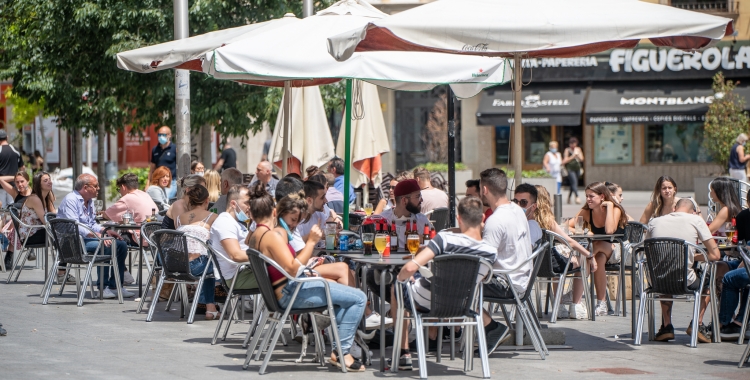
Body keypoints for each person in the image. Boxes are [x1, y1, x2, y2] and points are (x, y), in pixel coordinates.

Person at [249, 185, 367, 371]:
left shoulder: (274, 235)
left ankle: (341, 350)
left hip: (288, 290)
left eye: (298, 220)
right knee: (359, 298)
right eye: (292, 219)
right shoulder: (274, 236)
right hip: (291, 294)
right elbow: (293, 268)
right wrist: (311, 242)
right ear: (277, 213)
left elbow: (291, 266)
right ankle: (343, 353)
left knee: (347, 294)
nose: (295, 224)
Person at [394, 196, 497, 370]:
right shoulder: (490, 252)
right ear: (482, 219)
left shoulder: (444, 239)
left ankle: (403, 353)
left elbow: (410, 267)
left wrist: (401, 279)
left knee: (397, 286)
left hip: (427, 300)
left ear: (459, 219)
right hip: (462, 305)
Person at [647, 198, 720, 343]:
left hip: (657, 280)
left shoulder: (654, 221)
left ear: (674, 208)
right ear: (694, 211)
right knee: (710, 282)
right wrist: (691, 256)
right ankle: (697, 324)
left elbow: (648, 251)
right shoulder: (695, 220)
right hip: (685, 280)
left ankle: (666, 326)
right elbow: (715, 255)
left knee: (665, 272)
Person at [479, 168, 533, 353]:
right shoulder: (518, 210)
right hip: (521, 279)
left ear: (484, 190)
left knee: (459, 286)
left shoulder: (495, 220)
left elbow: (483, 266)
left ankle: (493, 328)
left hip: (507, 283)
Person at [57, 174, 132, 299]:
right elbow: (75, 226)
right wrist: (98, 236)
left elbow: (92, 223)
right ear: (86, 187)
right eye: (96, 186)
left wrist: (105, 231)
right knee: (107, 245)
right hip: (71, 243)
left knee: (121, 244)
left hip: (84, 239)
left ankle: (115, 286)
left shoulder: (89, 201)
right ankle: (102, 288)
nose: (99, 189)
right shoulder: (71, 200)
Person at [533, 185, 593, 319]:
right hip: (551, 264)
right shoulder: (548, 221)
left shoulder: (525, 219)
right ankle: (575, 305)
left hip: (532, 265)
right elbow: (569, 241)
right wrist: (589, 255)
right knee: (582, 260)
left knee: (556, 259)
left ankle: (559, 305)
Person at [568, 182, 628, 316]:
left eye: (591, 196)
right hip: (599, 253)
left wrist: (611, 205)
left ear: (602, 197)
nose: (588, 199)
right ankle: (602, 304)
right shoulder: (587, 211)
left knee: (593, 249)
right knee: (597, 259)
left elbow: (609, 230)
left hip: (617, 248)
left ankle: (574, 292)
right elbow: (567, 225)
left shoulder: (615, 209)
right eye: (587, 196)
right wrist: (584, 232)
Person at [5, 172, 66, 281]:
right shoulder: (35, 198)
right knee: (61, 235)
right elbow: (46, 221)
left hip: (40, 231)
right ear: (38, 184)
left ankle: (62, 271)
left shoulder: (46, 196)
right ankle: (62, 273)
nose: (50, 182)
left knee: (63, 234)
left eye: (49, 179)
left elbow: (53, 215)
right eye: (45, 181)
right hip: (30, 235)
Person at [176, 185, 220, 319]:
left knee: (208, 264)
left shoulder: (179, 218)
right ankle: (210, 307)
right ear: (207, 200)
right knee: (212, 265)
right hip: (196, 266)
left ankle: (209, 307)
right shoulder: (213, 217)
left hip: (175, 266)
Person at [210, 185, 258, 297]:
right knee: (283, 277)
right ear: (233, 204)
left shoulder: (235, 223)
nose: (250, 207)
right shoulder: (225, 222)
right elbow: (235, 255)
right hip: (237, 277)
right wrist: (267, 256)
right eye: (247, 203)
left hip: (246, 271)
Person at [103, 173, 159, 244]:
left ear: (123, 187)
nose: (120, 192)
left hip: (141, 238)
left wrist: (101, 213)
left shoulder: (126, 198)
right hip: (155, 237)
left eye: (119, 189)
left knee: (115, 240)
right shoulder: (145, 194)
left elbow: (107, 215)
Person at [149, 126, 177, 199]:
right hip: (158, 181)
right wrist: (148, 183)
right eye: (159, 135)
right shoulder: (155, 149)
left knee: (165, 198)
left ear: (169, 135)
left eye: (163, 135)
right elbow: (152, 168)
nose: (161, 137)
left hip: (171, 181)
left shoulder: (174, 149)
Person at [0, 129, 24, 208]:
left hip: (1, 186)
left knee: (1, 211)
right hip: (13, 186)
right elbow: (22, 168)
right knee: (13, 210)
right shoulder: (16, 150)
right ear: (7, 137)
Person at [562, 137, 584, 204]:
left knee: (573, 183)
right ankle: (577, 197)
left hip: (577, 168)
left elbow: (582, 159)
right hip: (570, 169)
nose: (573, 145)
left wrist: (578, 155)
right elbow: (564, 161)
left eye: (574, 144)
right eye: (571, 144)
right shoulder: (567, 150)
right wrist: (573, 156)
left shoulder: (578, 149)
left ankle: (568, 198)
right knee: (574, 182)